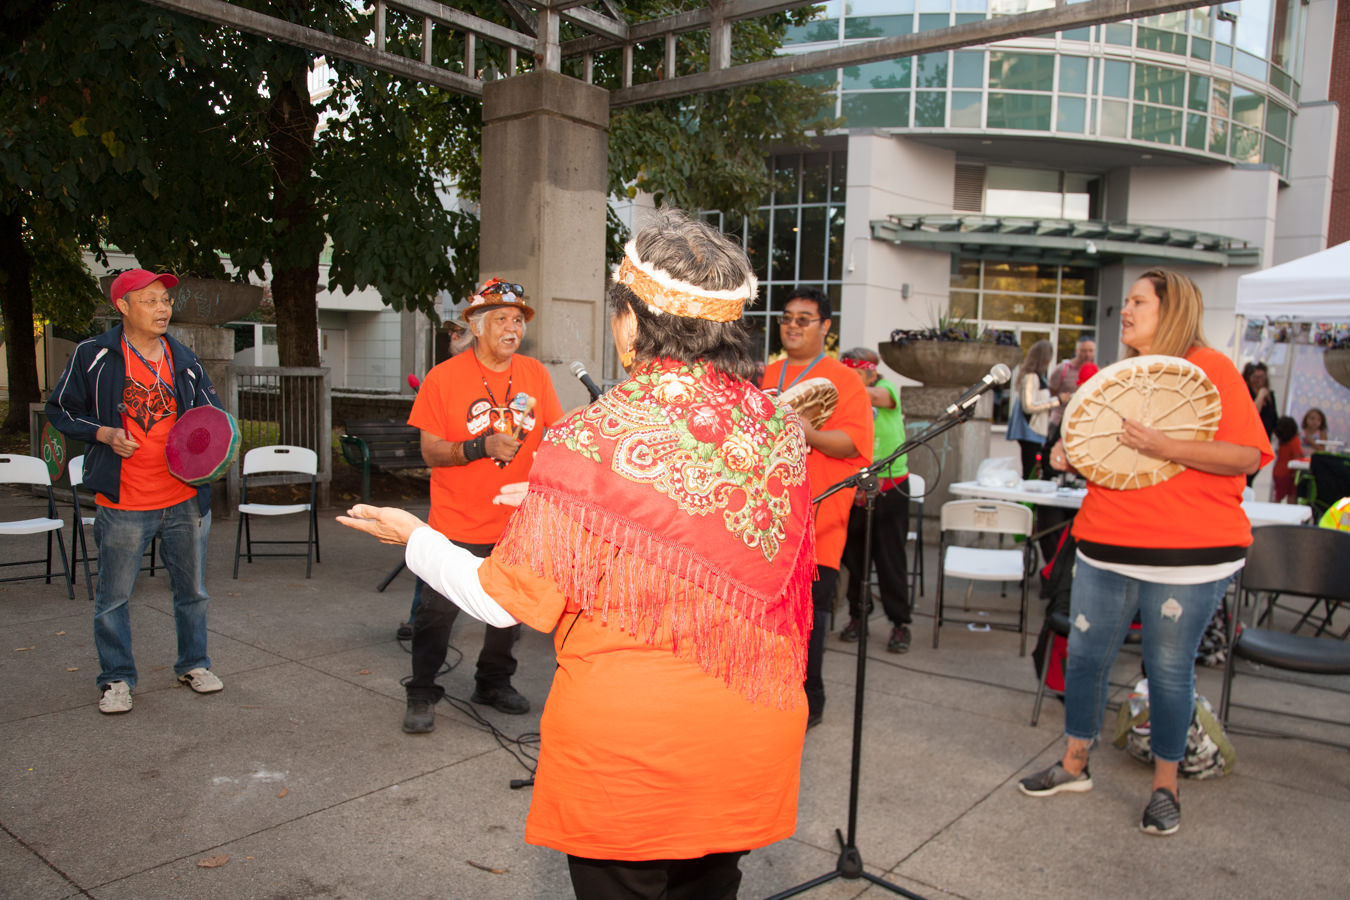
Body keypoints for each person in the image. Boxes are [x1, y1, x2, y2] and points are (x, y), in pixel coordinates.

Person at [340, 210, 815, 899]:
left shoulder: (594, 437)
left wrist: (414, 538)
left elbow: (503, 598)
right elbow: (700, 515)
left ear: (631, 320)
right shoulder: (776, 426)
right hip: (747, 731)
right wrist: (553, 499)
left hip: (634, 752)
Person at [1024, 269, 1272, 837]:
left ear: (1172, 308)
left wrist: (1167, 447)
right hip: (1106, 542)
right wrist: (1070, 454)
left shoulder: (1210, 369)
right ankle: (1074, 764)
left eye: (1139, 301)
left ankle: (1165, 786)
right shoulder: (1122, 376)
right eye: (1127, 301)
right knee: (1085, 657)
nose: (1126, 311)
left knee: (1167, 670)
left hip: (1188, 553)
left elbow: (1246, 456)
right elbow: (1107, 450)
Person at [45, 269, 227, 715]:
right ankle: (116, 679)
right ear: (122, 307)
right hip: (123, 501)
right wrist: (105, 434)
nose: (162, 308)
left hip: (184, 498)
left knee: (193, 592)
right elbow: (61, 410)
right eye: (149, 300)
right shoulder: (94, 355)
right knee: (114, 598)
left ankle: (193, 664)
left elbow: (211, 415)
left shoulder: (185, 359)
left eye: (165, 300)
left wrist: (209, 453)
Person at [400, 278, 563, 733]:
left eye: (518, 320)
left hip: (516, 521)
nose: (513, 329)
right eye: (502, 320)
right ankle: (421, 690)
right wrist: (479, 447)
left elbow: (561, 433)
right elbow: (430, 452)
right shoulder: (443, 378)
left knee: (509, 611)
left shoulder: (534, 374)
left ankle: (492, 682)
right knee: (435, 612)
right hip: (455, 521)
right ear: (475, 324)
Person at [762, 288, 873, 727]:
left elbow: (853, 443)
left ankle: (811, 697)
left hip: (819, 517)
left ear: (826, 327)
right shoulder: (768, 373)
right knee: (769, 614)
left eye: (804, 319)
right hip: (767, 518)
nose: (793, 325)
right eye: (787, 317)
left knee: (811, 615)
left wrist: (806, 432)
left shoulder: (844, 379)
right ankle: (770, 688)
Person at [837, 347, 913, 654]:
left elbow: (880, 398)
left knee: (890, 558)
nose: (852, 381)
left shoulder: (885, 387)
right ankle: (858, 615)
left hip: (890, 486)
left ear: (871, 373)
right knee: (854, 558)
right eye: (847, 375)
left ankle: (900, 623)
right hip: (854, 485)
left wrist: (844, 383)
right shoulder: (844, 396)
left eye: (857, 375)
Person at [1005, 339, 1063, 479]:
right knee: (1030, 472)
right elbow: (1029, 406)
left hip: (1036, 431)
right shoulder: (1031, 377)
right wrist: (1057, 401)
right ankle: (1026, 500)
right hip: (1030, 431)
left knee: (1034, 472)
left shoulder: (1040, 377)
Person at [1044, 336, 1095, 449]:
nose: (1087, 354)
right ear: (1076, 351)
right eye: (1084, 351)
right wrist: (1060, 399)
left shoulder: (1096, 371)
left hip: (1083, 425)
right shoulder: (1063, 369)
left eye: (1090, 351)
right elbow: (1050, 394)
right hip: (1059, 422)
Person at [1271, 416, 1303, 503]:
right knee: (1291, 496)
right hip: (1289, 473)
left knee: (1278, 496)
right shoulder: (1295, 440)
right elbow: (1298, 456)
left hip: (1278, 472)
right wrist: (1296, 472)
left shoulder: (1282, 441)